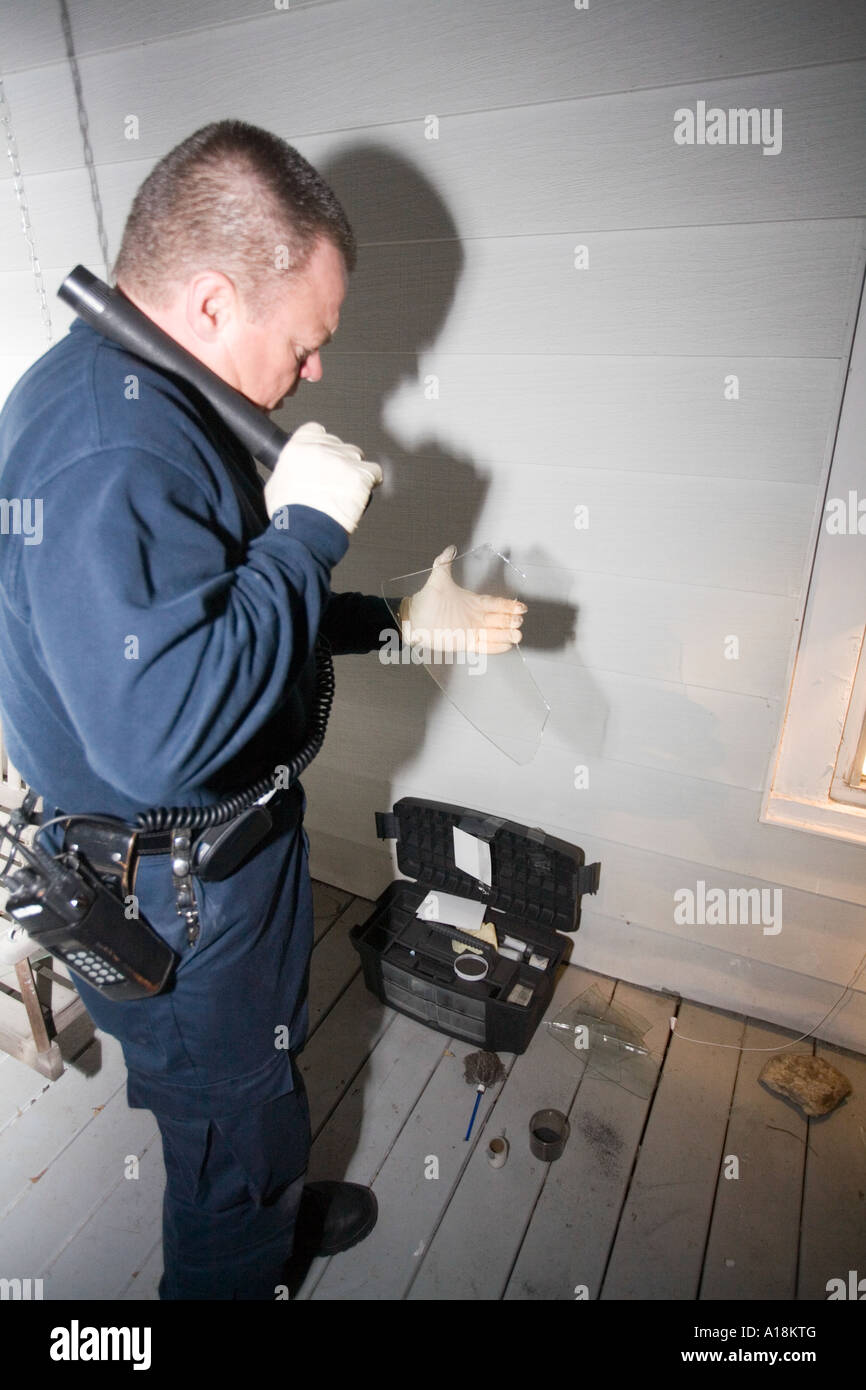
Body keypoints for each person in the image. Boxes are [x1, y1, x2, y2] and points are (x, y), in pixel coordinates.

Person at [0, 120, 525, 1300]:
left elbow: (220, 614)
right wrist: (307, 532)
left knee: (258, 1093)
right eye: (306, 342)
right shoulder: (111, 454)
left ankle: (268, 1199)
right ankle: (243, 1241)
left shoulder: (146, 395)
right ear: (209, 301)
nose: (316, 371)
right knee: (230, 1142)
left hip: (221, 868)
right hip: (176, 898)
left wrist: (392, 619)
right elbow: (168, 730)